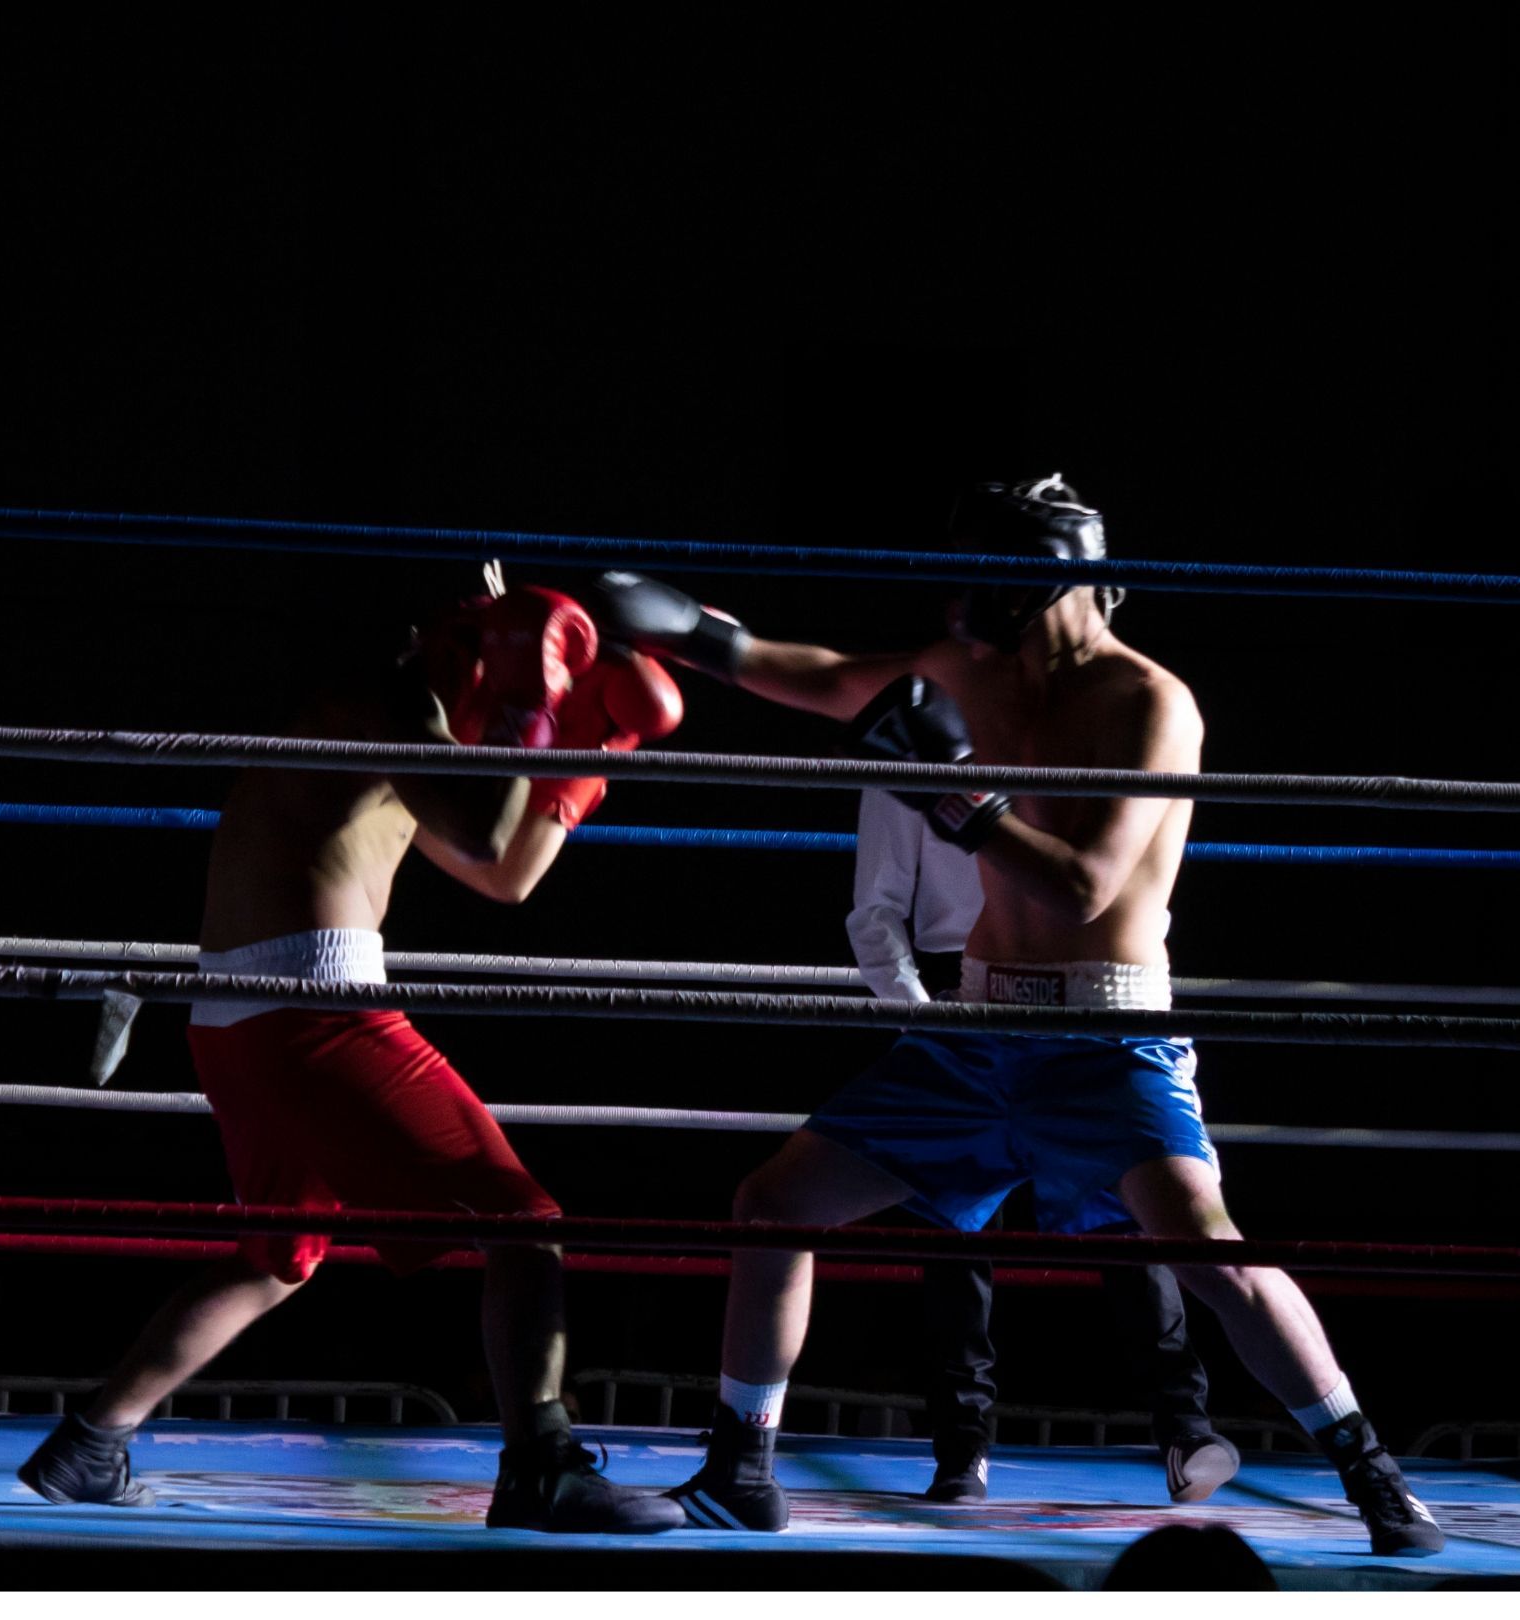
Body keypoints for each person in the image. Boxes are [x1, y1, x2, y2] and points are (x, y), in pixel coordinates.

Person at [583, 477, 1444, 1556]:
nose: (961, 602)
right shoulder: (972, 669)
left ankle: (1373, 1474)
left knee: (1213, 1255)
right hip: (976, 1030)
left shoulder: (1147, 702)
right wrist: (690, 633)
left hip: (1103, 1034)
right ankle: (742, 1469)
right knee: (772, 1205)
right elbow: (819, 676)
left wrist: (958, 799)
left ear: (1037, 579)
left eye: (983, 576)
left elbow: (1084, 886)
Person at [18, 583, 689, 1535]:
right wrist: (529, 706)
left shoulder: (408, 735)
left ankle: (90, 1444)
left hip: (241, 1016)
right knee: (524, 1223)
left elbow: (506, 876)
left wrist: (591, 760)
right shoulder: (384, 706)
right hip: (312, 1005)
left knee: (276, 1254)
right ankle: (540, 1467)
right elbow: (485, 832)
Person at [851, 788, 1235, 1505]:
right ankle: (962, 1449)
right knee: (953, 1228)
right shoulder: (912, 745)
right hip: (960, 990)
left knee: (1134, 1216)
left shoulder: (1086, 729)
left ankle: (1185, 1427)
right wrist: (929, 1021)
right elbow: (874, 909)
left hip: (1087, 991)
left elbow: (1138, 881)